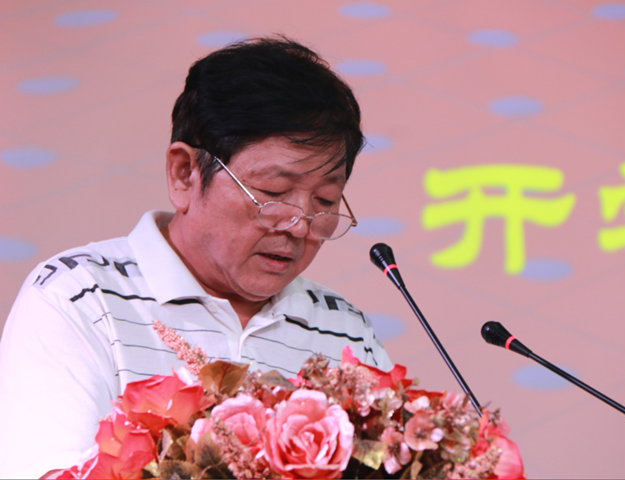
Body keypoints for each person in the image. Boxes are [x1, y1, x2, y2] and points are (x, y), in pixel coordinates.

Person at [0, 37, 392, 478]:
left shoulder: (344, 330)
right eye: (273, 192)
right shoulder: (77, 299)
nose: (299, 225)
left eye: (324, 200)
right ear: (184, 174)